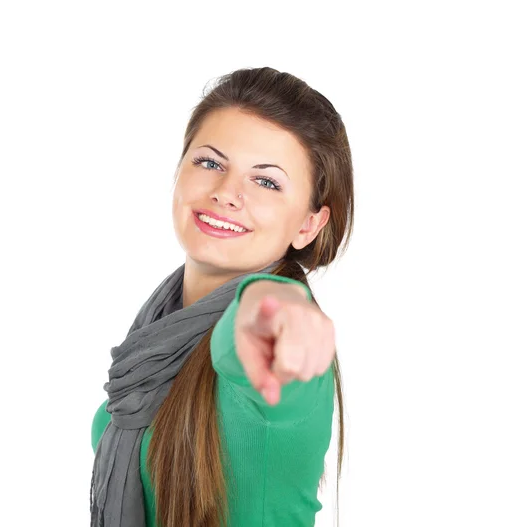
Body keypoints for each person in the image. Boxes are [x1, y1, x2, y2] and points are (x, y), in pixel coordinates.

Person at [90, 66, 354, 527]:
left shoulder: (279, 354)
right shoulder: (158, 333)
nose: (227, 193)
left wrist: (273, 312)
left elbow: (254, 333)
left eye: (266, 181)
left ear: (308, 224)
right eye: (210, 162)